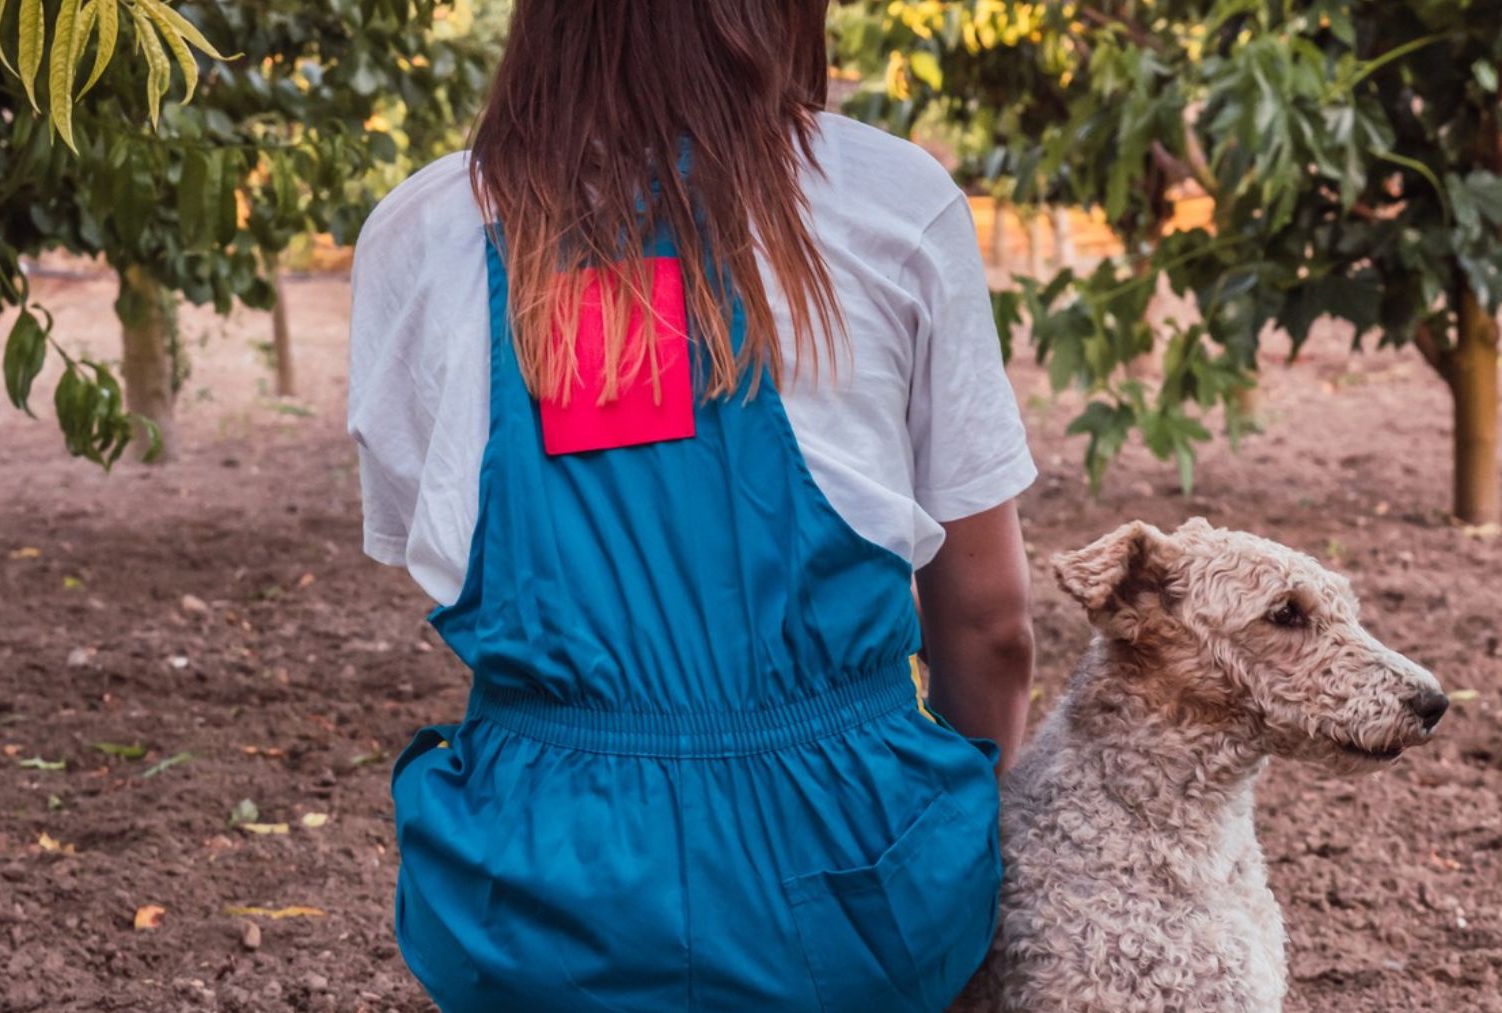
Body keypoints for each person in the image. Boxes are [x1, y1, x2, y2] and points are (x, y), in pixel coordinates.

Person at [346, 2, 1036, 1009]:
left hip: (547, 895)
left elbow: (434, 540)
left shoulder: (423, 231)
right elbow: (991, 624)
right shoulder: (893, 202)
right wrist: (972, 835)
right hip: (857, 885)